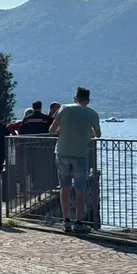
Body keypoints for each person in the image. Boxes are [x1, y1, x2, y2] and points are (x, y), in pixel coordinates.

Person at [49, 87, 101, 233]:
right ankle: (78, 222)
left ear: (75, 98)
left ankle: (66, 221)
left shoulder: (64, 108)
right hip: (80, 154)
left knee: (64, 187)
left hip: (62, 152)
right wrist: (88, 131)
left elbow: (51, 130)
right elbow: (98, 134)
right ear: (88, 100)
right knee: (80, 189)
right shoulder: (92, 113)